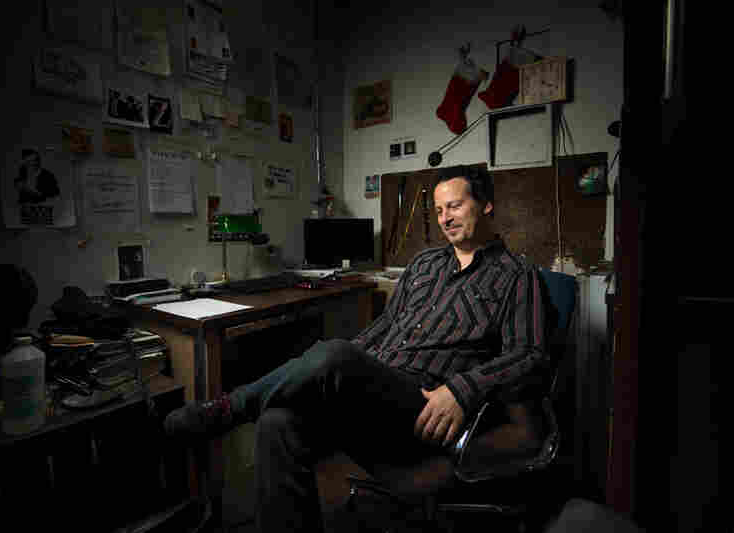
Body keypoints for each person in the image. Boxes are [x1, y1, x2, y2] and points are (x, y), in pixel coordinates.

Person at [164, 165, 549, 532]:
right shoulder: (424, 264)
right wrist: (335, 369)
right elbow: (385, 327)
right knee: (277, 421)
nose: (445, 217)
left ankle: (229, 408)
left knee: (335, 353)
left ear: (485, 204)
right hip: (372, 390)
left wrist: (461, 391)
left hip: (424, 403)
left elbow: (529, 353)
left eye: (455, 206)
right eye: (438, 210)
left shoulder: (516, 276)